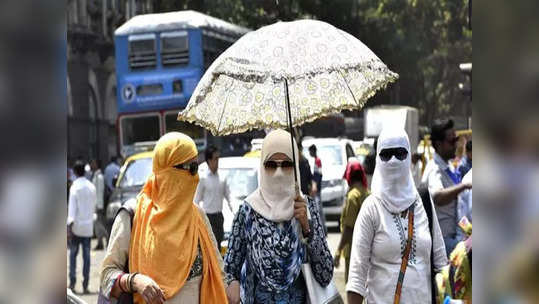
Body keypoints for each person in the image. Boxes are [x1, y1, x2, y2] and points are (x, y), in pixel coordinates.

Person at [99, 132, 226, 304]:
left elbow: (220, 272)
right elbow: (107, 275)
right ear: (167, 171)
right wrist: (134, 281)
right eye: (191, 168)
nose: (195, 177)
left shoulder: (198, 217)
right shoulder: (132, 216)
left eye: (197, 167)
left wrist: (232, 284)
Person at [224, 129, 334, 304]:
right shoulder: (248, 211)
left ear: (296, 167)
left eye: (287, 164)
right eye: (271, 165)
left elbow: (326, 273)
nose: (279, 172)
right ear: (262, 166)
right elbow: (229, 269)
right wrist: (233, 283)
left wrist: (306, 227)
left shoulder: (307, 208)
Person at [347, 127, 448, 304]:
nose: (393, 160)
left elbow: (441, 265)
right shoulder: (371, 208)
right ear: (378, 159)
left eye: (400, 153)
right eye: (386, 154)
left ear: (409, 156)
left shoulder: (423, 202)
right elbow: (356, 279)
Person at [421, 119, 472, 255]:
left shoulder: (448, 167)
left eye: (456, 140)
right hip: (443, 242)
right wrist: (464, 186)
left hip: (455, 235)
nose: (456, 145)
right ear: (438, 144)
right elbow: (438, 196)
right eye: (451, 141)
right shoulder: (435, 169)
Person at [334, 161, 369, 282]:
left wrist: (338, 251)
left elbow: (349, 228)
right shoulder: (368, 194)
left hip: (353, 251)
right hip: (367, 250)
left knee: (353, 288)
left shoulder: (352, 196)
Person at [194, 145, 233, 252]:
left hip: (219, 217)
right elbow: (196, 200)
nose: (217, 162)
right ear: (209, 160)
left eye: (218, 159)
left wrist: (235, 212)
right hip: (208, 218)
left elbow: (229, 197)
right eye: (215, 159)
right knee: (210, 248)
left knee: (218, 246)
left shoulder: (222, 177)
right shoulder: (203, 178)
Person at [68, 160, 97, 294]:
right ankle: (85, 284)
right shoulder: (91, 187)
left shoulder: (74, 188)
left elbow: (72, 210)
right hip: (88, 227)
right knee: (87, 257)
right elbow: (94, 206)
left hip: (76, 228)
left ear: (74, 172)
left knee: (73, 255)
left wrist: (69, 225)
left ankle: (72, 282)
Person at [90, 159, 107, 250]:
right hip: (96, 205)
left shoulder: (99, 177)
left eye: (93, 163)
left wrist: (99, 206)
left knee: (100, 224)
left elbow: (99, 192)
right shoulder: (95, 176)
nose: (92, 165)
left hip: (98, 205)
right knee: (98, 224)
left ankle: (107, 239)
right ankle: (100, 242)